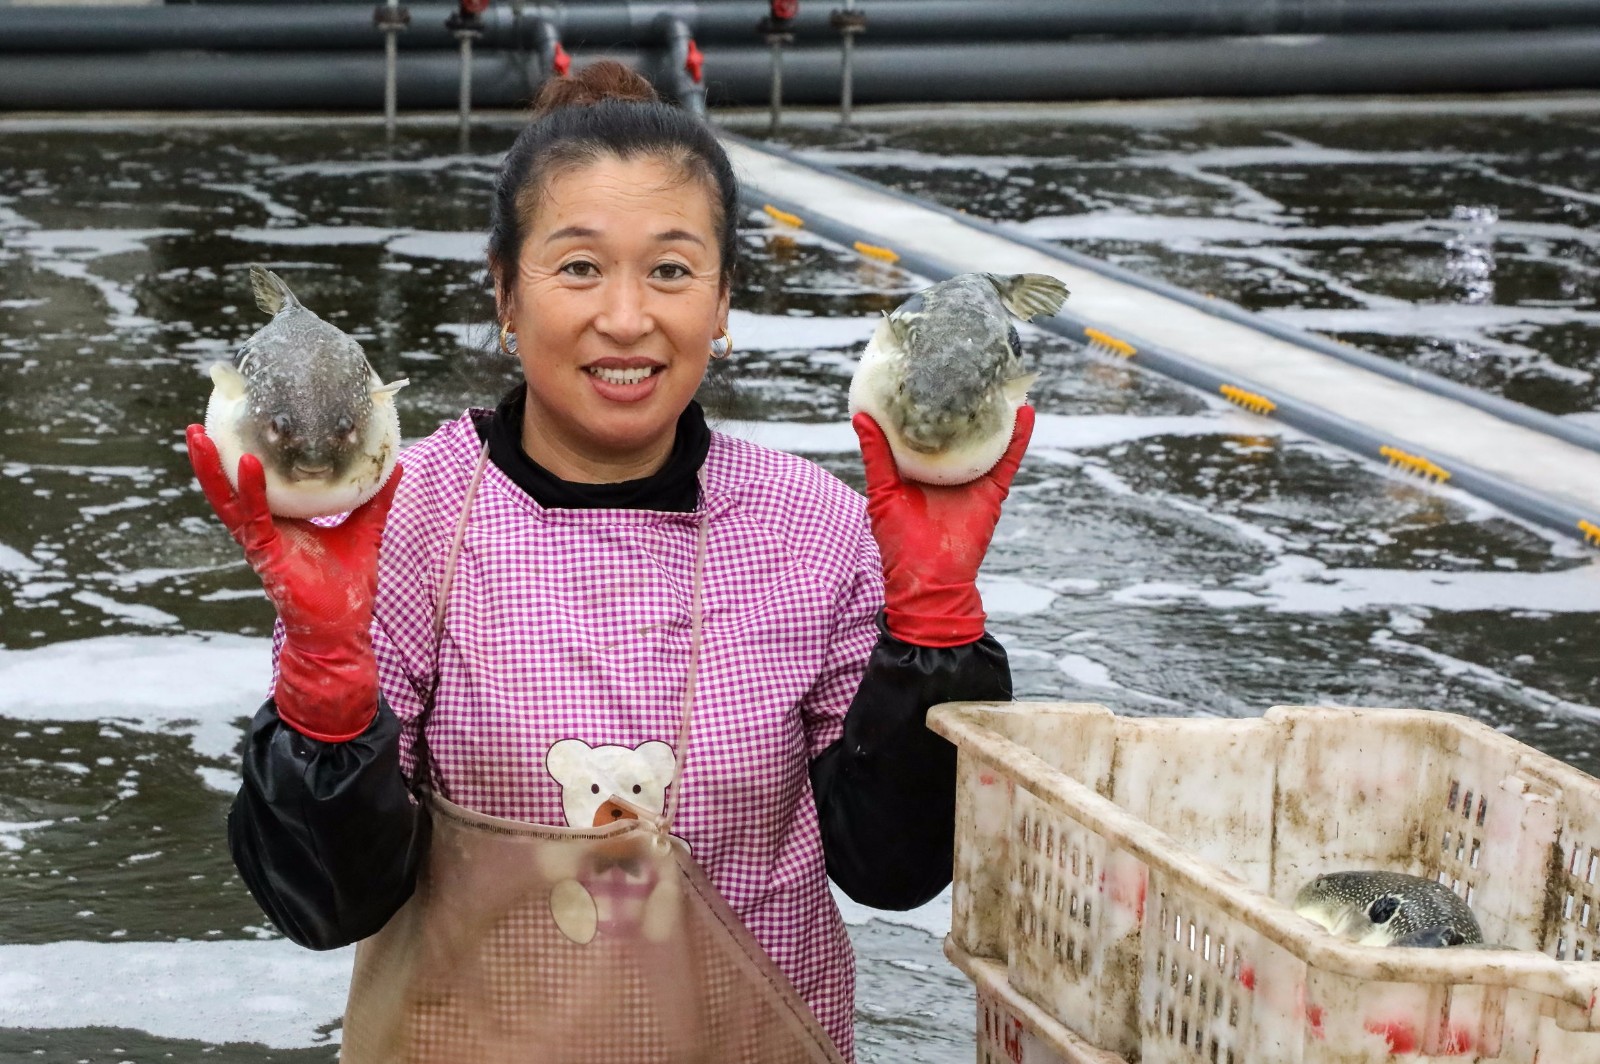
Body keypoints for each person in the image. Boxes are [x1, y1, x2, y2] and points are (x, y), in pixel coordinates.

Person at [186, 61, 1033, 1063]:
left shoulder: (815, 527)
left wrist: (933, 626)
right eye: (578, 267)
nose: (626, 319)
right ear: (504, 291)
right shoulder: (398, 522)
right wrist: (324, 680)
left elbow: (893, 868)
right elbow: (327, 904)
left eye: (671, 270)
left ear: (723, 301)